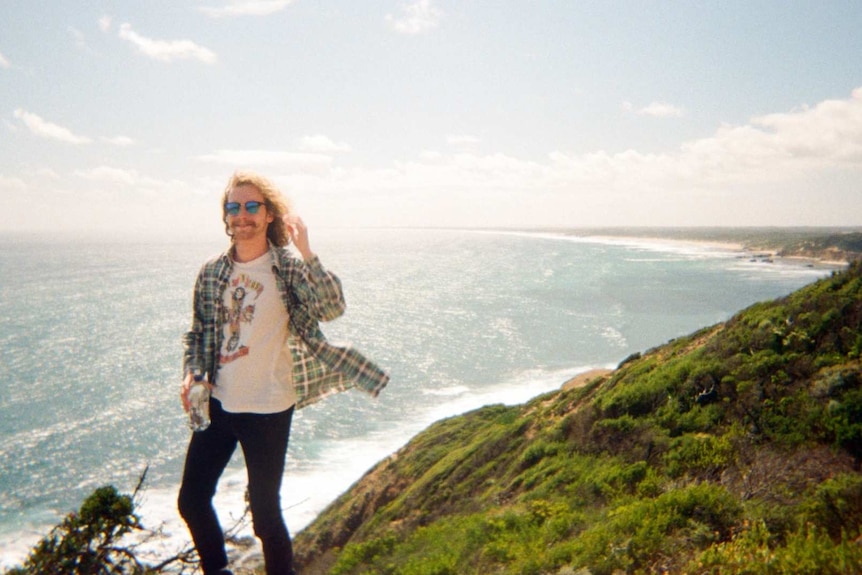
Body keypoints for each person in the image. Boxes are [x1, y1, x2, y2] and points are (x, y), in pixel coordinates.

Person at [178, 171, 389, 575]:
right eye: (234, 206)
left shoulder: (287, 268)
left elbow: (332, 309)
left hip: (269, 408)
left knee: (264, 515)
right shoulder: (211, 272)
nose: (242, 215)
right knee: (191, 499)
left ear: (270, 214)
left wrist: (307, 250)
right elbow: (201, 331)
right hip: (219, 404)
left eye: (252, 206)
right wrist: (194, 374)